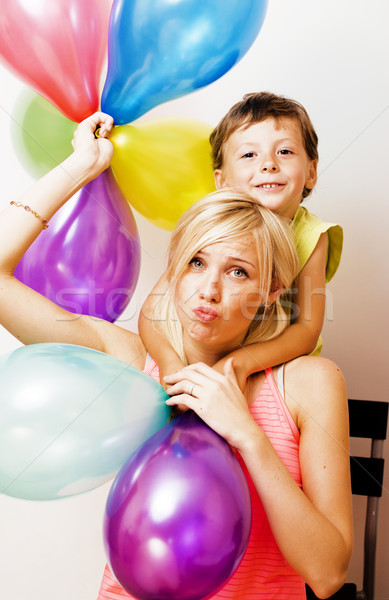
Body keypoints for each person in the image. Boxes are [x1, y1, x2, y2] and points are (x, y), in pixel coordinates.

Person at [0, 114, 352, 599]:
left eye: (238, 272)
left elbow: (328, 574)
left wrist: (247, 435)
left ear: (271, 292)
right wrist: (83, 166)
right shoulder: (130, 360)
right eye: (197, 263)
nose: (208, 289)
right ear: (175, 272)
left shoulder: (310, 383)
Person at [139, 92, 343, 389]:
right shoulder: (211, 229)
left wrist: (239, 365)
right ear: (221, 182)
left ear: (311, 173)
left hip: (271, 370)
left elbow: (306, 331)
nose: (269, 164)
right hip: (199, 361)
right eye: (250, 155)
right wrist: (170, 363)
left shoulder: (312, 236)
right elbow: (151, 312)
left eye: (284, 152)